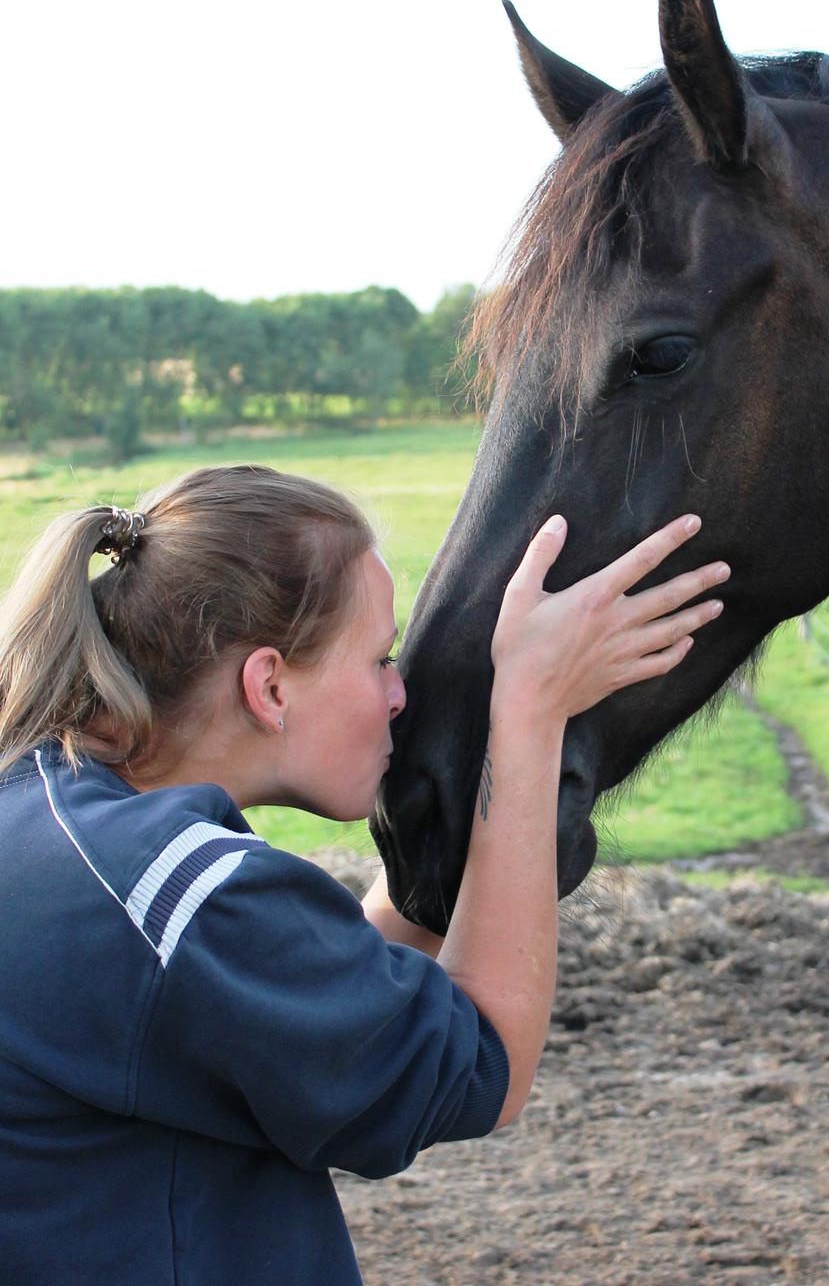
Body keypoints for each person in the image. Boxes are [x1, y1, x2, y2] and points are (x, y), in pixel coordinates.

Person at [0, 463, 728, 1285]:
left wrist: (445, 836)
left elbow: (316, 1007)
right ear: (269, 685)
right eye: (380, 657)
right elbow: (482, 1066)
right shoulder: (179, 894)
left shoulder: (52, 823)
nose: (398, 693)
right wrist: (529, 712)